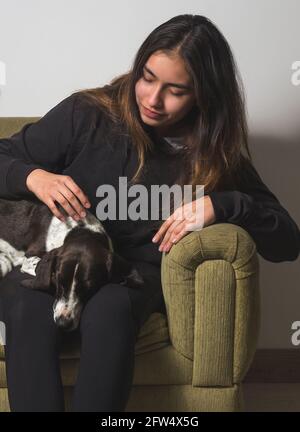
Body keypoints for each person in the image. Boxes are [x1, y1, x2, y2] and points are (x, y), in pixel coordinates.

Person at [0, 14, 299, 412]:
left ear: (204, 96)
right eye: (147, 77)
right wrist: (33, 176)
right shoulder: (87, 115)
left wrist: (224, 205)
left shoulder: (211, 155)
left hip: (132, 277)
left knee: (109, 312)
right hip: (50, 261)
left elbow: (287, 242)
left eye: (176, 90)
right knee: (27, 306)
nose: (152, 99)